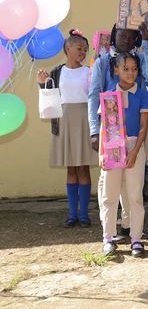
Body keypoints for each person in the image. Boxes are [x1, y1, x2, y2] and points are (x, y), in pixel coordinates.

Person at [88, 21, 148, 242]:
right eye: (121, 35)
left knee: (133, 189)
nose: (126, 40)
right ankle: (109, 234)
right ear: (113, 36)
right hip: (109, 137)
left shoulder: (139, 67)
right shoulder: (102, 63)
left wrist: (146, 43)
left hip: (133, 139)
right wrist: (95, 132)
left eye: (131, 36)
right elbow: (94, 96)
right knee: (109, 188)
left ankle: (130, 227)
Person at [37, 30, 98, 228]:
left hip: (84, 120)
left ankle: (84, 215)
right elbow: (50, 97)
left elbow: (95, 95)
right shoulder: (57, 71)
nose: (83, 52)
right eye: (79, 48)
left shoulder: (89, 72)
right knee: (71, 168)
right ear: (68, 48)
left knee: (83, 168)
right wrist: (42, 84)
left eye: (85, 49)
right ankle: (72, 214)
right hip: (64, 121)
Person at [98, 52, 148, 257]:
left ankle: (136, 239)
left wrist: (135, 152)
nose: (130, 73)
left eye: (134, 69)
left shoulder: (142, 93)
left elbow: (143, 127)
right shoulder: (110, 93)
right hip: (112, 147)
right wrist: (102, 153)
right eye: (126, 68)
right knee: (109, 195)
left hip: (133, 146)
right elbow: (105, 126)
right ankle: (108, 238)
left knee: (134, 196)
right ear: (116, 70)